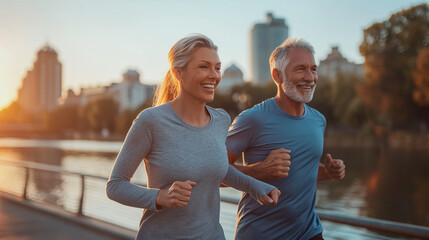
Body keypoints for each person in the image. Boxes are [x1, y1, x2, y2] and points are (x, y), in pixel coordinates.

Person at [106, 34, 280, 240]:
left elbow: (219, 168)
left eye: (217, 67)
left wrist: (257, 187)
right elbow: (115, 186)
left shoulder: (221, 119)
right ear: (178, 72)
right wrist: (161, 196)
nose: (214, 75)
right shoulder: (150, 121)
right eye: (204, 67)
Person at [226, 38, 346, 240]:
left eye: (313, 69)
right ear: (277, 75)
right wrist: (260, 170)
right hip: (260, 234)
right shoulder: (252, 119)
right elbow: (212, 171)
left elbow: (299, 174)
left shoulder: (318, 120)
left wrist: (328, 172)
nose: (310, 77)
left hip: (309, 232)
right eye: (300, 69)